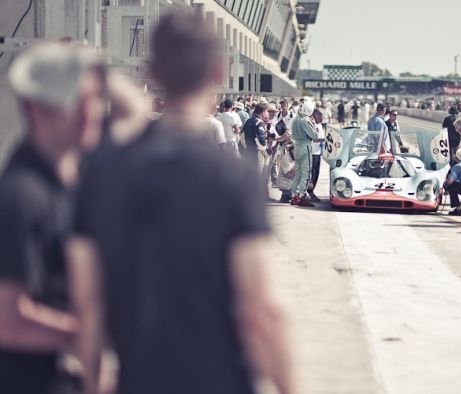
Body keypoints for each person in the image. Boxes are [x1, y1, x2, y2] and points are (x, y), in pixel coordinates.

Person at [67, 11, 294, 394]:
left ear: (152, 73)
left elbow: (87, 301)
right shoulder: (231, 177)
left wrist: (91, 382)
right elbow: (261, 310)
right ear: (219, 72)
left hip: (138, 379)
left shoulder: (103, 171)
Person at [0, 43, 104, 394]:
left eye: (92, 97)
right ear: (34, 109)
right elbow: (8, 319)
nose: (90, 111)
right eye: (75, 100)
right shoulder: (23, 195)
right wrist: (88, 337)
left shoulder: (69, 183)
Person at [290, 100, 322, 207]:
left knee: (297, 174)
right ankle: (302, 196)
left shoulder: (295, 120)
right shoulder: (306, 121)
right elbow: (315, 136)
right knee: (306, 173)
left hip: (297, 147)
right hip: (305, 147)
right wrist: (313, 124)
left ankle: (294, 195)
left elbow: (292, 135)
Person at [307, 109, 325, 202]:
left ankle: (312, 191)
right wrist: (324, 140)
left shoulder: (320, 125)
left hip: (318, 152)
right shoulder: (312, 124)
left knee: (316, 173)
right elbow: (314, 139)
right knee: (312, 173)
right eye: (320, 116)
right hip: (312, 152)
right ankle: (309, 191)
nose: (322, 118)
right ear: (314, 115)